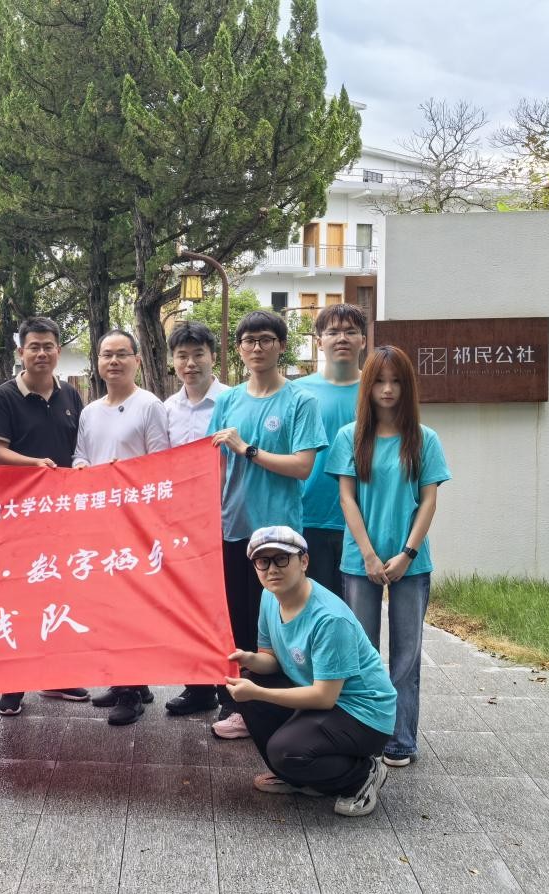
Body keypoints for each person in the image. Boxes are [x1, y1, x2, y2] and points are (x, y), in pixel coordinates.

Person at [166, 310, 326, 741]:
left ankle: (283, 705)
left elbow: (303, 466)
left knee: (277, 623)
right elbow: (213, 465)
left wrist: (249, 449)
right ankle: (239, 706)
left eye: (266, 339)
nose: (257, 348)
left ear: (281, 346)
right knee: (237, 621)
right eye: (249, 341)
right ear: (238, 349)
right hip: (231, 528)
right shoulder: (230, 401)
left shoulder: (300, 401)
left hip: (278, 535)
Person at [327, 345, 451, 768]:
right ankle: (362, 736)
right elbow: (347, 498)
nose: (387, 389)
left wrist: (407, 554)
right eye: (379, 381)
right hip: (359, 561)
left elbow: (429, 500)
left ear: (407, 386)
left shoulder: (424, 438)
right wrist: (368, 554)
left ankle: (400, 740)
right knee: (359, 653)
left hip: (411, 563)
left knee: (406, 656)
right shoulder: (350, 436)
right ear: (368, 386)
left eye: (396, 381)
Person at [226, 526, 396, 817]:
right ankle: (296, 776)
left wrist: (259, 693)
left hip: (364, 713)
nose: (272, 569)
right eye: (262, 561)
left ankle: (362, 775)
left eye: (281, 559)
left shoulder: (329, 618)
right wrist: (250, 659)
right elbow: (272, 659)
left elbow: (324, 697)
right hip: (323, 698)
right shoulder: (270, 597)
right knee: (249, 683)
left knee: (285, 750)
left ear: (303, 561)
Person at [0, 316, 90, 715]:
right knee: (18, 599)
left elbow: (80, 448)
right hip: (19, 515)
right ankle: (13, 683)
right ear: (21, 352)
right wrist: (33, 464)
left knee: (59, 596)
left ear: (58, 351)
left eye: (48, 346)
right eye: (34, 347)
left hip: (63, 516)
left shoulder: (71, 395)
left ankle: (56, 676)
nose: (41, 353)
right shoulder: (5, 396)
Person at [73, 330, 170, 725]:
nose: (114, 361)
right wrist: (82, 467)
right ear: (97, 362)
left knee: (132, 605)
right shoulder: (90, 411)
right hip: (100, 522)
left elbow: (161, 463)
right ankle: (125, 680)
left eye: (122, 354)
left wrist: (126, 476)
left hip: (136, 523)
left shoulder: (150, 406)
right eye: (106, 355)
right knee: (108, 605)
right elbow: (80, 454)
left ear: (137, 360)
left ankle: (130, 691)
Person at [293, 304, 367, 598]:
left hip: (364, 517)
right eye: (333, 332)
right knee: (314, 607)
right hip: (309, 516)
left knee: (357, 613)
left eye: (351, 331)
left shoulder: (377, 390)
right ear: (319, 341)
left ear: (363, 340)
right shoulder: (298, 392)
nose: (342, 338)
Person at [163, 320, 229, 448]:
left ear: (213, 358)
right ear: (173, 361)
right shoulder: (167, 409)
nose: (191, 363)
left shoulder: (233, 402)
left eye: (198, 355)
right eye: (182, 357)